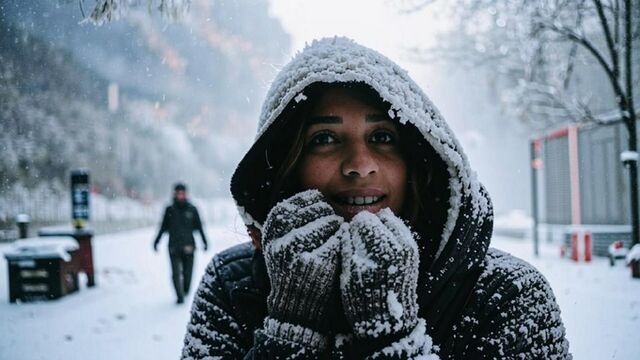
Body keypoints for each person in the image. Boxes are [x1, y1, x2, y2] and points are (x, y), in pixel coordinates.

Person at [182, 38, 571, 359]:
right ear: (287, 164)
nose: (360, 165)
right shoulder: (232, 286)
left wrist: (392, 340)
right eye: (325, 139)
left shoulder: (505, 295)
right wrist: (292, 329)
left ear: (418, 161)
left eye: (382, 137)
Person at [154, 182, 208, 304]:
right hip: (174, 247)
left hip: (189, 246)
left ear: (185, 194)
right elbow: (163, 227)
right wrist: (156, 241)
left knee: (188, 273)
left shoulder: (192, 209)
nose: (180, 195)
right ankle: (180, 296)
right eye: (178, 193)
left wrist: (205, 242)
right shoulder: (169, 209)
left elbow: (199, 227)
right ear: (174, 194)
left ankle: (186, 290)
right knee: (175, 273)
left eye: (182, 193)